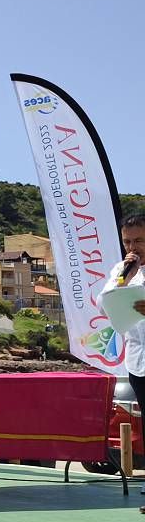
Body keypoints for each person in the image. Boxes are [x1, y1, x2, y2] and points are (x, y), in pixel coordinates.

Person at [102, 213, 145, 498]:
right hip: (138, 361)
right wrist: (122, 280)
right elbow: (103, 301)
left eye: (140, 240)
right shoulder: (123, 268)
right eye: (128, 241)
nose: (133, 247)